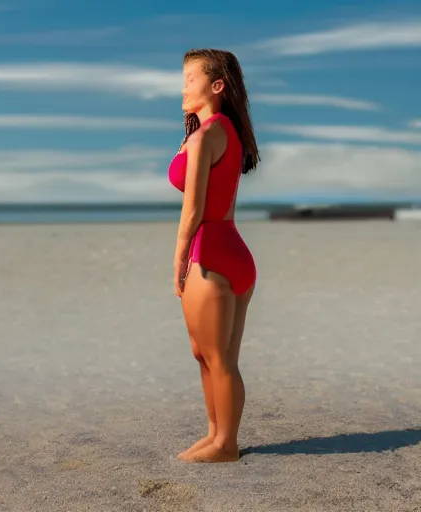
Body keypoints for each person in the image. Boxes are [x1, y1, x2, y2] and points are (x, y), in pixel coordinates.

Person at [168, 48, 260, 463]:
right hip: (235, 252)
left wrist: (179, 258)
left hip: (210, 253)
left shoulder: (207, 136)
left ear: (217, 85)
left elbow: (193, 209)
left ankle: (226, 443)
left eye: (191, 79)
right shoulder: (226, 131)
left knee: (216, 356)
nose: (184, 87)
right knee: (211, 354)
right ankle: (216, 434)